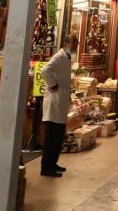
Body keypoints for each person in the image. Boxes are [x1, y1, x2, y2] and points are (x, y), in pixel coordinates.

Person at [40, 34, 78, 177]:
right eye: (74, 42)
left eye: (77, 42)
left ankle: (53, 163)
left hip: (60, 102)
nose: (76, 45)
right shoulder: (59, 56)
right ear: (66, 43)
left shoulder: (66, 58)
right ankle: (46, 167)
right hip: (54, 102)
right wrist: (53, 84)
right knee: (51, 137)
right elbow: (45, 70)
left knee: (58, 136)